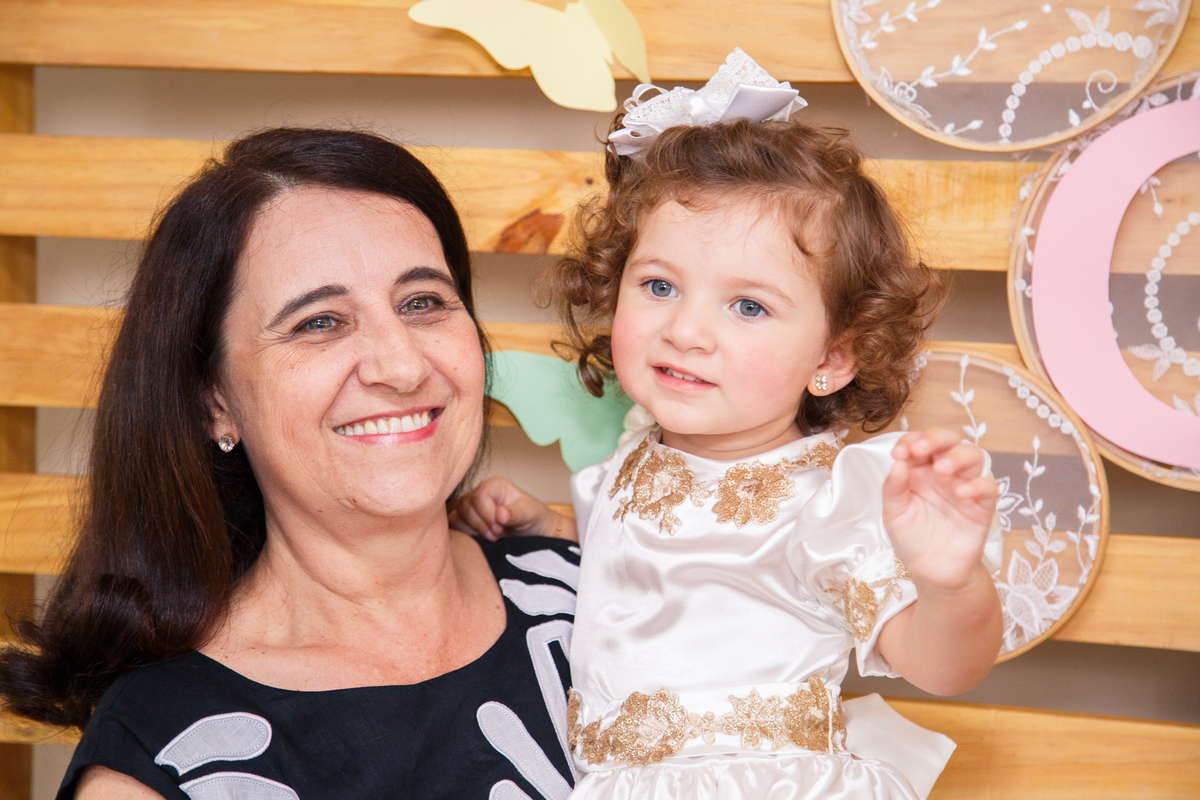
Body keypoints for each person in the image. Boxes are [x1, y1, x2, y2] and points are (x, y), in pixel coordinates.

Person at [450, 50, 1003, 799]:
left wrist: (950, 585)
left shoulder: (830, 495)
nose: (686, 330)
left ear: (834, 358)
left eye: (748, 306)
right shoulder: (636, 453)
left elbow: (942, 667)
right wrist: (545, 529)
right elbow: (644, 569)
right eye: (659, 285)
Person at [0, 128, 580, 800]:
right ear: (213, 402)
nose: (400, 365)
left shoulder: (599, 598)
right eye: (319, 322)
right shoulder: (161, 761)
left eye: (422, 303)